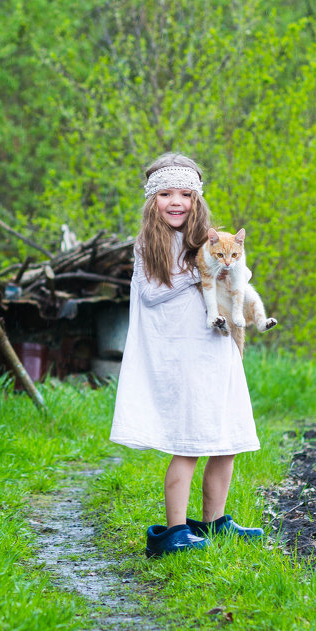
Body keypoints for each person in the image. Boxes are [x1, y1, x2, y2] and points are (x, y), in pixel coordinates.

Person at [109, 152, 264, 557]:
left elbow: (236, 276)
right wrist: (199, 273)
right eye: (165, 193)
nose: (176, 201)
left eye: (185, 194)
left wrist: (231, 271)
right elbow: (152, 293)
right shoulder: (149, 244)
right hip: (181, 355)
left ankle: (214, 523)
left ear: (197, 200)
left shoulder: (209, 241)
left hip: (215, 348)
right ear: (152, 200)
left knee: (225, 439)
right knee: (189, 442)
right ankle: (172, 533)